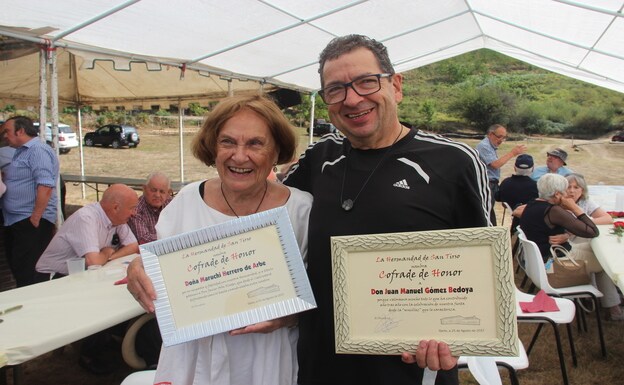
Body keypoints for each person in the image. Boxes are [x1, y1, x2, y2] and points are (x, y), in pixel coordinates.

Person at [281, 35, 490, 385]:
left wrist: (460, 338)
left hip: (410, 370)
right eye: (335, 89)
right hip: (320, 367)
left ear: (395, 85)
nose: (352, 99)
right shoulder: (320, 158)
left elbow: (485, 271)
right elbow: (259, 218)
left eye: (366, 82)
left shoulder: (454, 163)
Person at [127, 94, 313, 385]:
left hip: (265, 359)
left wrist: (289, 317)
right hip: (194, 356)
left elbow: (323, 297)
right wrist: (140, 267)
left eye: (255, 143)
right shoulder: (187, 201)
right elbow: (163, 271)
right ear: (212, 147)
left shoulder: (302, 211)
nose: (239, 156)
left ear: (276, 151)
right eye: (228, 142)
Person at [518, 173, 623, 321]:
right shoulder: (553, 211)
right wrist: (574, 207)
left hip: (545, 261)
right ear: (557, 194)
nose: (569, 193)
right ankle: (613, 307)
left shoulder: (531, 205)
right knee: (607, 262)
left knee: (598, 250)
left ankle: (605, 301)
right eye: (566, 190)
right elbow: (592, 231)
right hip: (558, 265)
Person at [35, 183, 139, 279]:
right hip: (52, 278)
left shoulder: (117, 219)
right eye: (132, 208)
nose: (134, 214)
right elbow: (93, 263)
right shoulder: (86, 218)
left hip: (78, 275)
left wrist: (108, 256)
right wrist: (106, 252)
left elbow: (133, 246)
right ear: (116, 208)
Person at [2, 116, 59, 287]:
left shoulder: (37, 151)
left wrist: (35, 217)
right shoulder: (21, 151)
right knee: (20, 268)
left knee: (30, 272)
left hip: (30, 221)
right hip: (16, 220)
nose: (5, 136)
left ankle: (34, 310)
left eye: (7, 131)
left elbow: (45, 185)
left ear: (20, 131)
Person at [475, 124, 527, 225]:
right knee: (486, 212)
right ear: (491, 134)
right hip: (488, 183)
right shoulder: (484, 146)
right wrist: (512, 153)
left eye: (504, 137)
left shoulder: (490, 146)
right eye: (499, 137)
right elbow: (495, 164)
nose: (501, 140)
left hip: (491, 183)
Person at [127, 171, 173, 245]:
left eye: (162, 192)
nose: (157, 195)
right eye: (153, 190)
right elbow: (144, 239)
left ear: (168, 193)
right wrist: (174, 236)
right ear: (144, 189)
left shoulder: (172, 204)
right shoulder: (136, 210)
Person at [497, 154, 538, 232]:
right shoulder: (536, 186)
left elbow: (497, 197)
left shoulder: (506, 182)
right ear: (532, 169)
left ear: (515, 168)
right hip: (529, 221)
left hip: (513, 215)